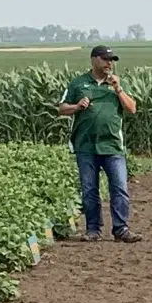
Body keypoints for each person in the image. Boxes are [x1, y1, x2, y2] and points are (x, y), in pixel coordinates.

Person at [56, 44, 140, 242]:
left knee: (119, 188)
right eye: (105, 59)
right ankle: (93, 230)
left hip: (112, 146)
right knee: (89, 189)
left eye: (111, 60)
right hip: (85, 146)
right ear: (94, 60)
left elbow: (132, 108)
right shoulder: (78, 84)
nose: (109, 63)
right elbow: (61, 108)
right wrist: (77, 106)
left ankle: (121, 229)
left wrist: (117, 88)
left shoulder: (118, 84)